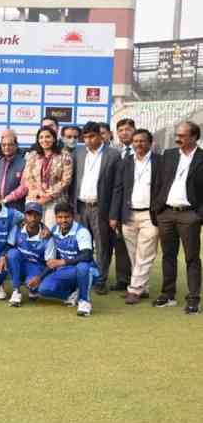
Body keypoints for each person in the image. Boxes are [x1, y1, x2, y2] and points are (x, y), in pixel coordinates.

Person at [153, 121, 203, 314]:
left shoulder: (201, 157)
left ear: (193, 137)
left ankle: (193, 299)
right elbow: (160, 182)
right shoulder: (170, 155)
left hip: (190, 215)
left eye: (181, 135)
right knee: (168, 256)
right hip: (166, 213)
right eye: (176, 134)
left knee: (191, 258)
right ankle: (167, 294)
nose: (177, 138)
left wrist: (198, 215)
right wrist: (157, 209)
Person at [109, 129, 161, 304]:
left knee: (145, 253)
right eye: (136, 141)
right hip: (128, 214)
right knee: (133, 254)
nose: (138, 144)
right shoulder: (125, 162)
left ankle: (135, 289)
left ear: (150, 143)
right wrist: (114, 215)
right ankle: (143, 287)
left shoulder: (160, 162)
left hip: (150, 215)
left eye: (142, 141)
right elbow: (118, 189)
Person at [69, 121, 121, 295]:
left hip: (101, 208)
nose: (88, 140)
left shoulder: (113, 155)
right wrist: (72, 208)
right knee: (81, 245)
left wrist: (114, 214)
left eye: (92, 136)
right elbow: (73, 181)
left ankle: (101, 280)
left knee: (102, 246)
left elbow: (116, 187)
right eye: (85, 137)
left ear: (100, 136)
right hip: (81, 206)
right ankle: (82, 276)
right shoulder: (78, 152)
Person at [33, 202, 97, 317]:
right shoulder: (54, 230)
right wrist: (40, 277)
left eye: (67, 217)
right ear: (56, 218)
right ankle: (72, 295)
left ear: (73, 217)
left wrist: (62, 262)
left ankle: (84, 301)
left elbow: (87, 256)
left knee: (82, 266)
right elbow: (52, 262)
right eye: (60, 217)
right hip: (67, 271)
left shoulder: (82, 232)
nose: (63, 220)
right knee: (43, 289)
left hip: (87, 270)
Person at [18, 127, 73, 228]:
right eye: (41, 137)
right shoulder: (33, 155)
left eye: (48, 137)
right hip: (35, 198)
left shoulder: (64, 155)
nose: (44, 140)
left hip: (55, 200)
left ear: (54, 138)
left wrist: (49, 195)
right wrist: (39, 192)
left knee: (50, 230)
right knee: (33, 229)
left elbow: (66, 180)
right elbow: (28, 177)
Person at [5, 202, 54, 307]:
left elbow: (51, 264)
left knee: (35, 287)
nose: (33, 218)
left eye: (36, 215)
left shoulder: (47, 236)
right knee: (12, 254)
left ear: (41, 216)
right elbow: (8, 246)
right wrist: (1, 257)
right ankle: (16, 291)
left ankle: (32, 289)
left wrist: (39, 278)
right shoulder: (17, 228)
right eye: (29, 214)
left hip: (36, 267)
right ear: (25, 215)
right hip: (21, 263)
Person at [111, 117, 137, 291]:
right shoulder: (115, 153)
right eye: (120, 130)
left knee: (137, 248)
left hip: (136, 206)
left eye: (128, 129)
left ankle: (137, 282)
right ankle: (122, 280)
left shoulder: (145, 151)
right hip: (117, 205)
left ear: (134, 131)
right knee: (119, 245)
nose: (124, 133)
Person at [0, 129, 27, 212]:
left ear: (16, 146)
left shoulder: (24, 163)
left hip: (15, 207)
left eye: (10, 145)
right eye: (4, 145)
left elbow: (24, 187)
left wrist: (6, 199)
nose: (6, 147)